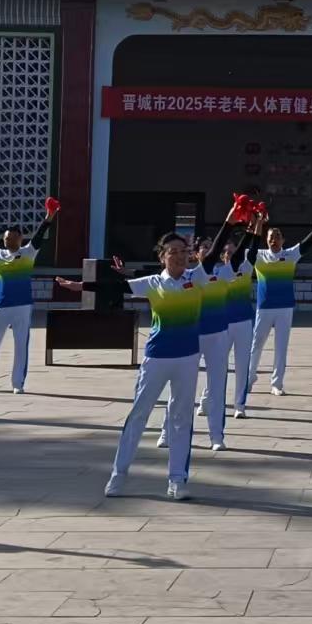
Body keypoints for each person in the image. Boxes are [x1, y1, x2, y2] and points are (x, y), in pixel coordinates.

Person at [103, 210, 239, 499]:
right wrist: (78, 285)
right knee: (139, 413)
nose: (179, 256)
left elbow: (214, 251)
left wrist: (230, 220)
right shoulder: (153, 282)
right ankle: (118, 474)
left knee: (181, 417)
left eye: (183, 251)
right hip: (157, 358)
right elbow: (113, 286)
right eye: (172, 252)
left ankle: (177, 480)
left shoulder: (197, 277)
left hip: (187, 358)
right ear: (162, 257)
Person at [251, 210, 312, 397]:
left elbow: (307, 243)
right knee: (257, 344)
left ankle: (276, 383)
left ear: (283, 240)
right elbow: (247, 244)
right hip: (264, 308)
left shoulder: (290, 255)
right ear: (266, 239)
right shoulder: (258, 255)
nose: (274, 240)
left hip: (284, 307)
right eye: (271, 237)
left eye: (277, 236)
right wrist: (258, 223)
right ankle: (249, 378)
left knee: (281, 347)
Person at [0, 205, 58, 394]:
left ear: (20, 239)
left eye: (13, 238)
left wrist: (48, 217)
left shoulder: (28, 253)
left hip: (22, 306)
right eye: (6, 238)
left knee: (21, 344)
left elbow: (38, 237)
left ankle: (17, 383)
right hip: (0, 306)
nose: (9, 241)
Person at [176, 235, 233, 452]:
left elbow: (245, 253)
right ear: (196, 253)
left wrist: (252, 228)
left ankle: (216, 436)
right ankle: (167, 431)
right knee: (181, 388)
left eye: (212, 247)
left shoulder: (224, 272)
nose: (209, 251)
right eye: (204, 248)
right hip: (191, 335)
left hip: (217, 336)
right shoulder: (188, 275)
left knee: (217, 387)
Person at [225, 213, 262, 418]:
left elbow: (254, 246)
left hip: (244, 323)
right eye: (226, 252)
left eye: (233, 251)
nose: (229, 255)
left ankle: (239, 405)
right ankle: (206, 399)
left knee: (241, 365)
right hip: (222, 325)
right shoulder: (217, 273)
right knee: (217, 366)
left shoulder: (247, 267)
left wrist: (258, 223)